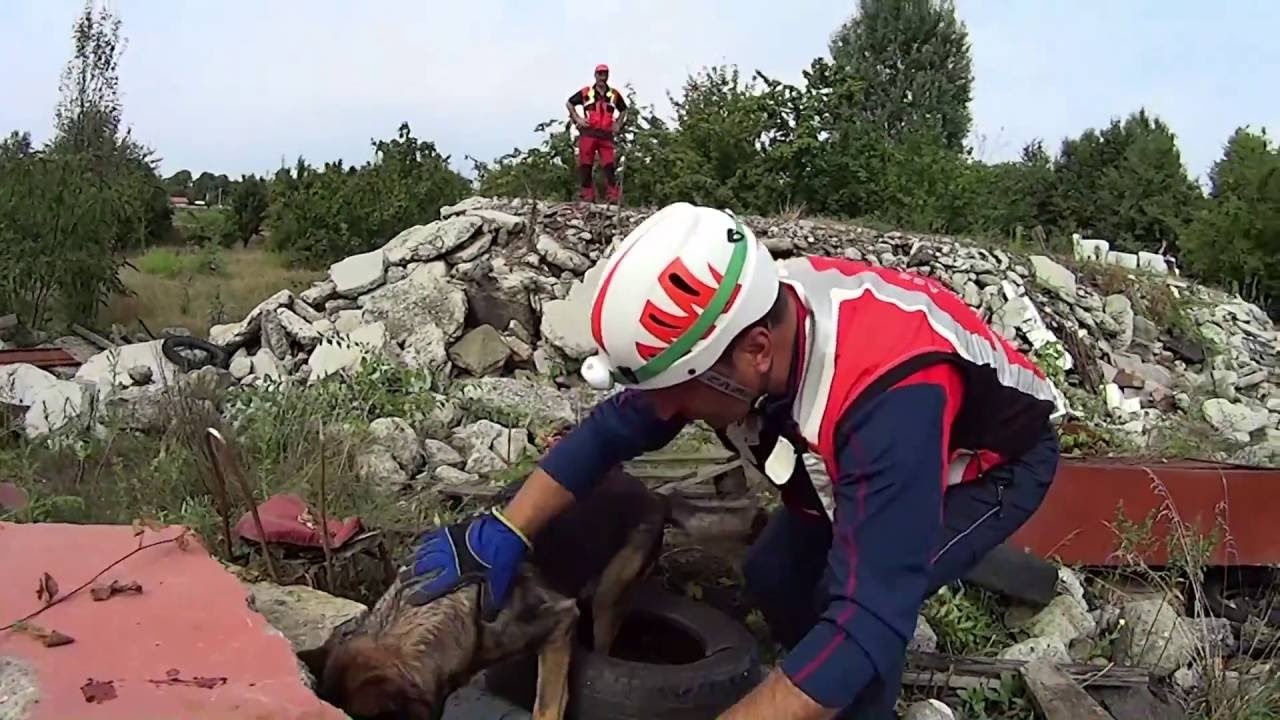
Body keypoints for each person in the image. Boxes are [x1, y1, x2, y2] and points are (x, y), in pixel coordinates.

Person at [404, 202, 1064, 718]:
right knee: (773, 573)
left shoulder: (887, 404)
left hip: (983, 469)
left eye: (678, 393)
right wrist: (506, 531)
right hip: (840, 456)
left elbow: (866, 616)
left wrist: (843, 649)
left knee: (859, 608)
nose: (667, 411)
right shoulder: (743, 328)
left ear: (754, 354)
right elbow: (612, 431)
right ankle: (813, 681)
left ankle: (856, 701)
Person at [566, 63, 627, 203]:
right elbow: (569, 103)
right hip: (589, 133)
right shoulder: (586, 92)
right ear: (595, 75)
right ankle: (587, 196)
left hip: (606, 135)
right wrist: (577, 119)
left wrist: (618, 124)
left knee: (609, 165)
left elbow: (623, 109)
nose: (602, 77)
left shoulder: (614, 94)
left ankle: (613, 196)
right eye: (600, 74)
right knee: (585, 165)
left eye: (605, 74)